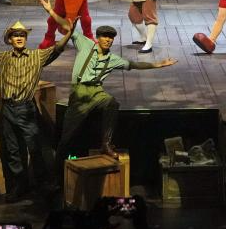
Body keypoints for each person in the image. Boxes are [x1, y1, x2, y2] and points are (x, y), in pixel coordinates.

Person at [0, 3, 72, 202]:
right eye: (15, 35)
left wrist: (69, 33)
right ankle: (18, 187)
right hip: (8, 108)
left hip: (26, 108)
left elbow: (57, 48)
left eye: (22, 35)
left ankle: (44, 185)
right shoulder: (3, 58)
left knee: (36, 148)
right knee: (12, 150)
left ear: (26, 38)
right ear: (10, 39)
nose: (19, 37)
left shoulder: (36, 56)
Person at [54, 9, 176, 167]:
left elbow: (133, 64)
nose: (108, 40)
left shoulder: (112, 59)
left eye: (111, 38)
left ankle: (106, 144)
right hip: (80, 92)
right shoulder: (86, 44)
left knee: (112, 103)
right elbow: (67, 27)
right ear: (98, 38)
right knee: (67, 136)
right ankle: (56, 169)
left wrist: (158, 64)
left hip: (96, 92)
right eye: (105, 36)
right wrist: (51, 11)